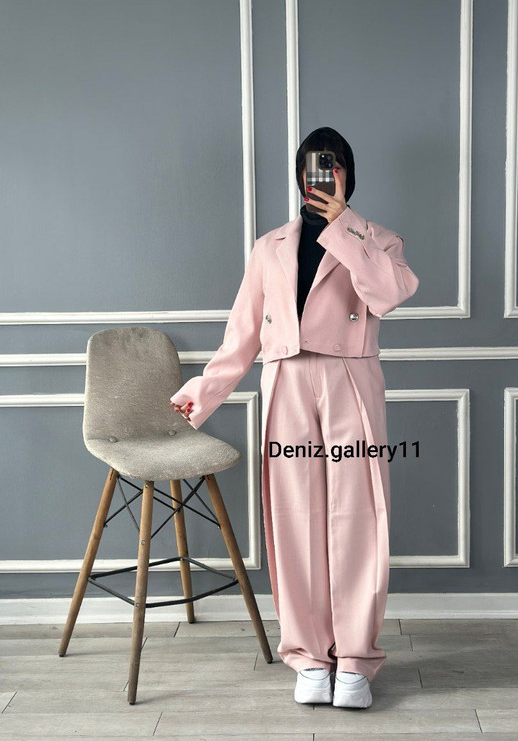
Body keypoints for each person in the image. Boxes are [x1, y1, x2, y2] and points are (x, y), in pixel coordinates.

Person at [169, 126, 419, 708]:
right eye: (311, 167)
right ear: (299, 176)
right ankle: (309, 656)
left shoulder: (377, 239)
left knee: (359, 517)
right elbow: (242, 334)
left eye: (331, 167)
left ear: (348, 174)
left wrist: (345, 226)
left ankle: (353, 660)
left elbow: (389, 294)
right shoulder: (270, 247)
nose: (320, 177)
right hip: (285, 381)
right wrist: (202, 393)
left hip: (351, 378)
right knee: (294, 518)